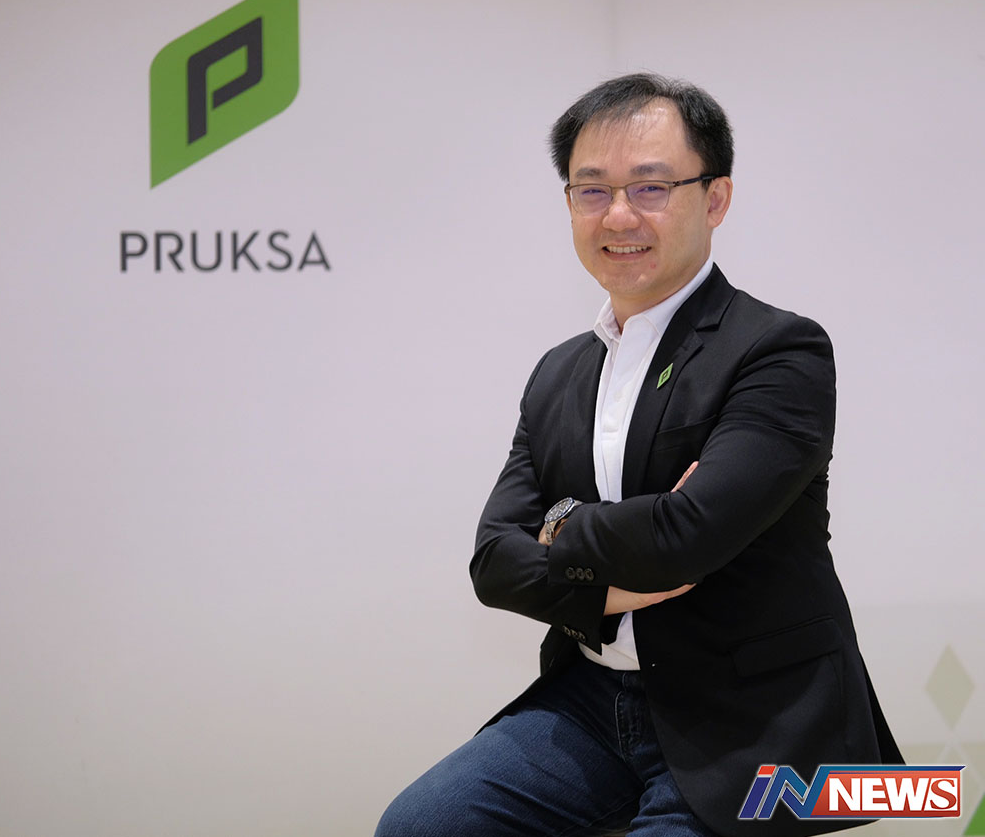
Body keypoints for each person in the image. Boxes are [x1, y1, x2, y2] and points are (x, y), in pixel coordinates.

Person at [375, 73, 901, 837]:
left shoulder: (778, 351)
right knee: (419, 825)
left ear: (715, 199)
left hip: (748, 720)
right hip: (593, 702)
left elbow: (686, 540)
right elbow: (493, 563)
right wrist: (613, 567)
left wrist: (559, 528)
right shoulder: (560, 370)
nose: (618, 214)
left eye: (651, 187)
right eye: (592, 190)